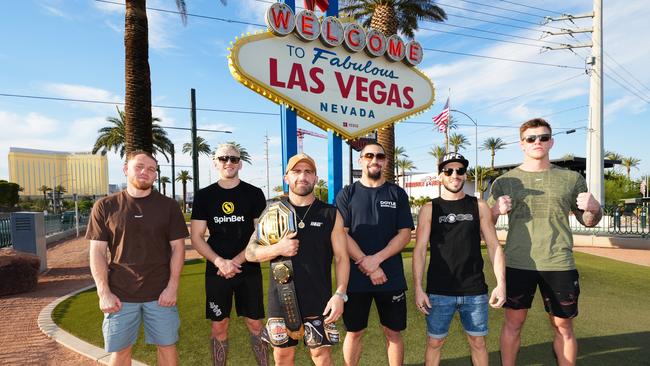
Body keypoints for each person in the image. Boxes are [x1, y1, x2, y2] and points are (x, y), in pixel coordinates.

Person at [488, 118, 602, 366]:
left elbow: (589, 221)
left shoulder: (571, 179)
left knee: (563, 326)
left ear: (552, 142)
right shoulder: (504, 181)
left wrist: (594, 208)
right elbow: (486, 225)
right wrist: (495, 211)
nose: (537, 142)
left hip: (559, 262)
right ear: (522, 144)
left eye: (543, 137)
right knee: (513, 324)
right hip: (519, 262)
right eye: (531, 138)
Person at [245, 153, 349, 366]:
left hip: (319, 298)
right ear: (286, 177)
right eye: (296, 171)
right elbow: (250, 253)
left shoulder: (330, 213)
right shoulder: (271, 211)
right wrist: (277, 248)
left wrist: (340, 294)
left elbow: (341, 257)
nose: (302, 176)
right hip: (280, 298)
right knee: (283, 357)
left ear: (315, 178)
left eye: (308, 172)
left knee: (321, 356)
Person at [87, 151, 188, 366]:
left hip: (160, 293)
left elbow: (178, 249)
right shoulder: (105, 206)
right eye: (139, 166)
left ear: (155, 176)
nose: (145, 172)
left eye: (151, 169)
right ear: (125, 169)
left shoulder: (168, 206)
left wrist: (172, 287)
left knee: (167, 346)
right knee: (120, 351)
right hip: (119, 296)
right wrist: (103, 292)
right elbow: (97, 251)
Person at [412, 152, 506, 366]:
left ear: (465, 175)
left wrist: (501, 284)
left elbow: (494, 246)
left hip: (474, 291)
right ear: (440, 176)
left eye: (460, 170)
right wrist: (418, 288)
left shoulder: (479, 206)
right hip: (439, 291)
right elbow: (419, 250)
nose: (455, 175)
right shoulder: (429, 209)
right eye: (449, 170)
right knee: (434, 343)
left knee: (478, 342)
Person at [335, 142, 414, 366]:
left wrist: (375, 261)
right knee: (354, 332)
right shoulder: (347, 194)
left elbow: (405, 234)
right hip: (355, 278)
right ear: (361, 160)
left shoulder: (397, 193)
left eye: (380, 156)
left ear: (386, 161)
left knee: (393, 333)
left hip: (390, 277)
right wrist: (364, 261)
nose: (374, 160)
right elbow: (341, 233)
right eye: (369, 155)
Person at [190, 143, 268, 366]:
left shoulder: (254, 194)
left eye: (234, 159)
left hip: (249, 269)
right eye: (223, 158)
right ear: (215, 163)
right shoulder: (204, 196)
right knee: (219, 325)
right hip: (216, 272)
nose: (228, 162)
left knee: (255, 324)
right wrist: (219, 262)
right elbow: (196, 237)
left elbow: (260, 234)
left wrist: (236, 261)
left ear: (240, 163)